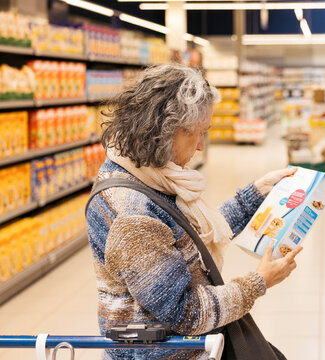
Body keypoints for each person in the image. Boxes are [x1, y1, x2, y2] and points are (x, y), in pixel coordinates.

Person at [85, 64, 302, 360]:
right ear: (165, 132)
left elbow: (190, 237)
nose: (201, 146)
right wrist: (258, 281)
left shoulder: (147, 172)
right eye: (196, 134)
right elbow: (186, 312)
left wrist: (257, 192)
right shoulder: (133, 215)